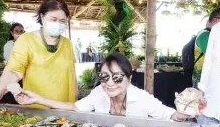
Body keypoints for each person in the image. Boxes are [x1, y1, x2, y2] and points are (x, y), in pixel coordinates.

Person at [12, 52, 202, 121]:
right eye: (104, 76)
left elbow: (167, 114)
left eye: (117, 78)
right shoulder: (98, 93)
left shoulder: (140, 97)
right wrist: (38, 98)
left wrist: (182, 113)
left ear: (128, 78)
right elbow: (74, 106)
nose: (110, 83)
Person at [0, 0, 77, 107]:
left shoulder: (67, 44)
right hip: (36, 110)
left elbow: (72, 75)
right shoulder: (26, 40)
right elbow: (13, 71)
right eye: (53, 19)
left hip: (64, 108)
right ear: (42, 17)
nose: (58, 24)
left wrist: (75, 101)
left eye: (62, 21)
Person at [182, 8, 220, 74]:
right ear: (216, 19)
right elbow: (216, 57)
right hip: (201, 79)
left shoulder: (211, 35)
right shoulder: (204, 35)